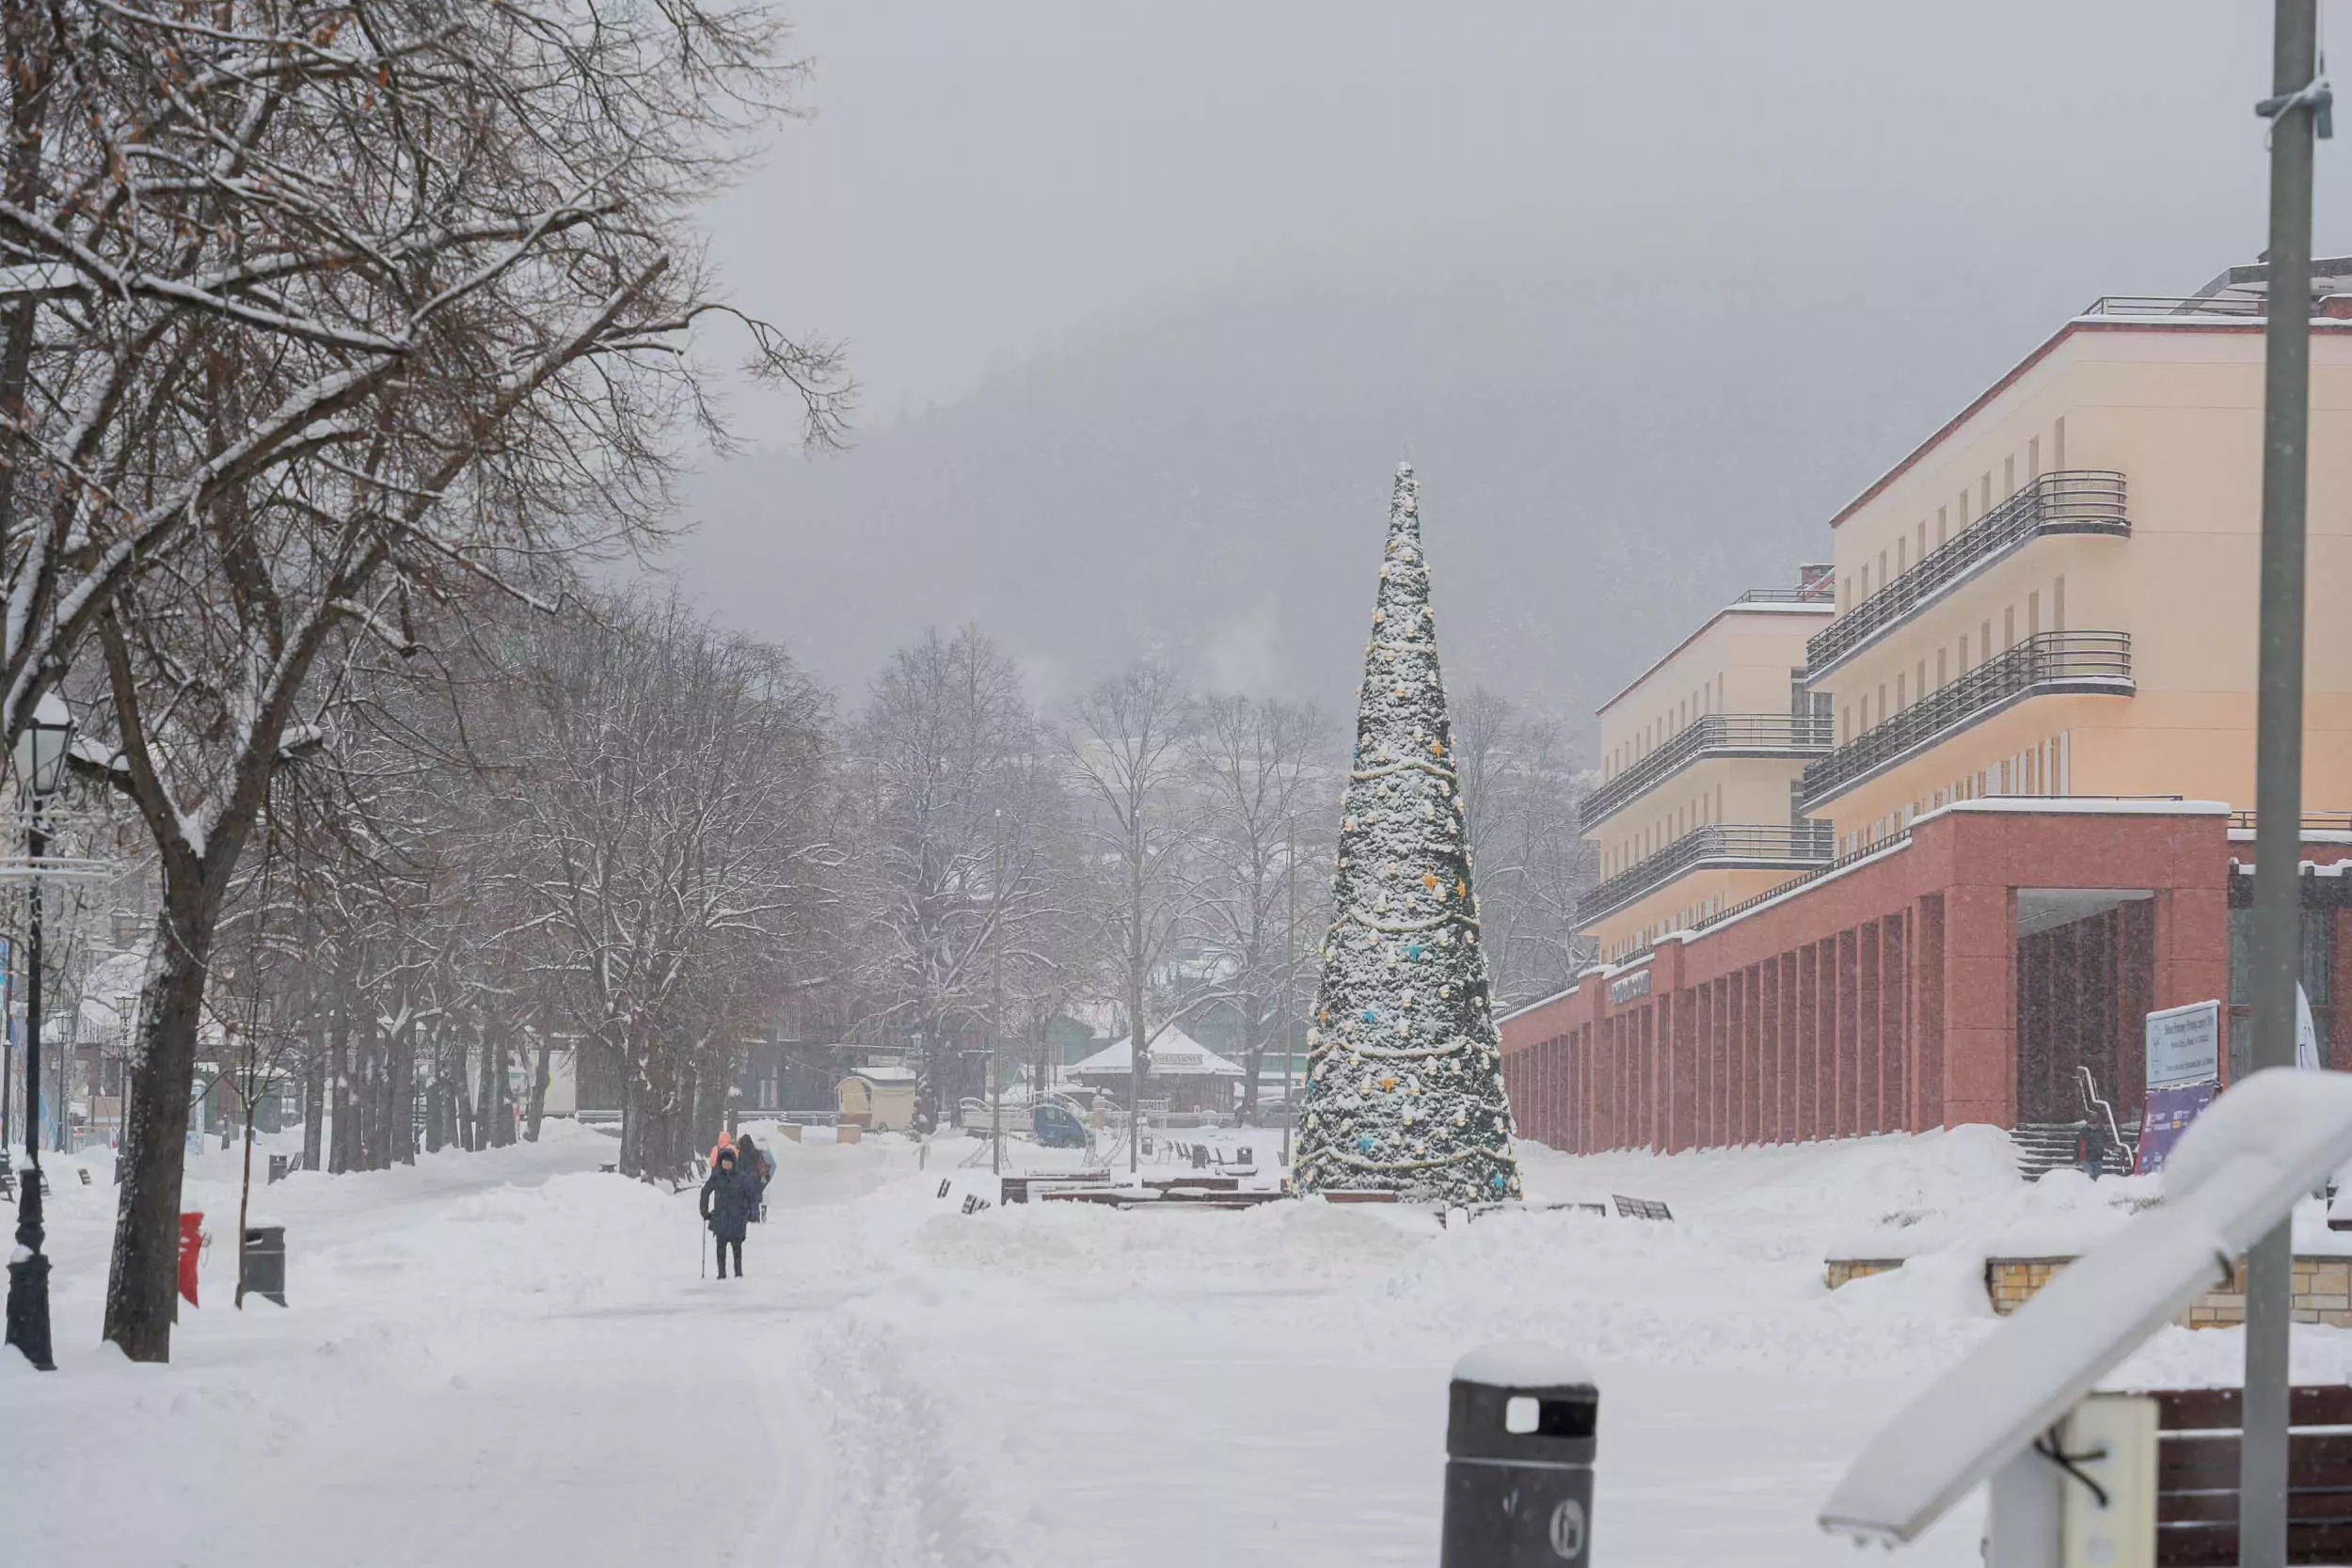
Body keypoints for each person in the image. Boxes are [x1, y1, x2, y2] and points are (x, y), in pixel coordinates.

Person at [699, 1147, 755, 1278]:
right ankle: (721, 1274)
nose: (727, 1164)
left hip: (737, 1219)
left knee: (737, 1249)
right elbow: (705, 1192)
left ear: (733, 1162)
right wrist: (705, 1211)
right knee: (721, 1248)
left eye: (729, 1162)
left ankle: (738, 1274)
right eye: (724, 1162)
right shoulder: (717, 1176)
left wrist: (751, 1213)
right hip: (721, 1218)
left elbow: (750, 1195)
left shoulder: (741, 1177)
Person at [735, 1132, 771, 1218]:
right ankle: (756, 1216)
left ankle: (748, 1216)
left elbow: (740, 1167)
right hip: (756, 1179)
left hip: (745, 1179)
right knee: (755, 1199)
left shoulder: (742, 1153)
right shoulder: (756, 1152)